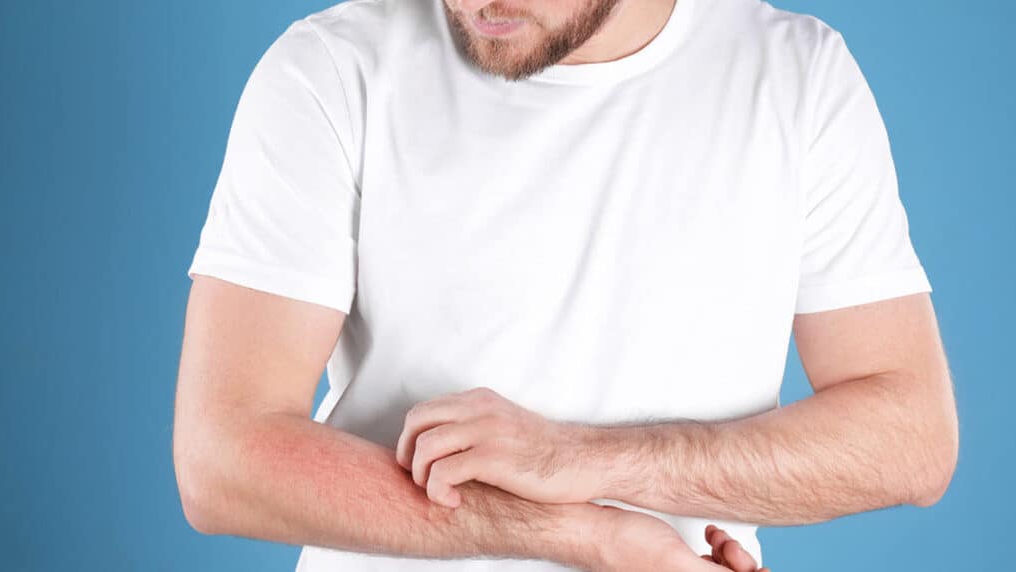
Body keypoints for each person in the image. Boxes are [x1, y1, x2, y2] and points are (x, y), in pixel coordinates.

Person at [174, 0, 959, 570]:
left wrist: (596, 461)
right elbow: (223, 460)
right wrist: (582, 532)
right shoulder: (334, 67)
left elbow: (911, 438)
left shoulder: (798, 76)